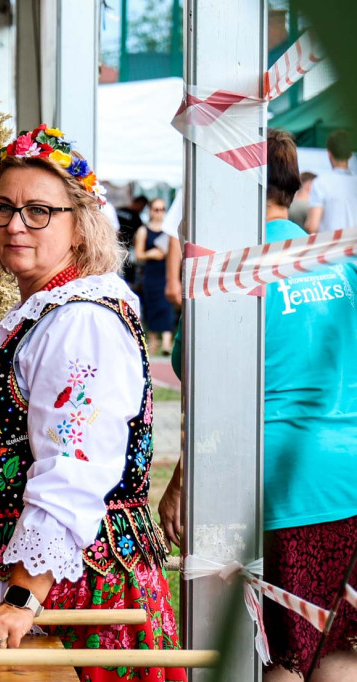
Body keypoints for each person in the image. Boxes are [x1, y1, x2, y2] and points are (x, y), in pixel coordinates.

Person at [0, 125, 184, 682]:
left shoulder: (83, 320)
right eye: (3, 208)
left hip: (61, 592)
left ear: (80, 227)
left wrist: (21, 597)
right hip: (3, 575)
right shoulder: (44, 313)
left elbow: (75, 465)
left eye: (39, 211)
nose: (15, 224)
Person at [160, 129, 357, 681]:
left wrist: (181, 480)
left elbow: (206, 386)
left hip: (278, 483)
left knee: (280, 653)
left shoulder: (231, 272)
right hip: (348, 480)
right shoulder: (340, 262)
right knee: (340, 648)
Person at [134, 198, 175, 355]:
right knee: (152, 307)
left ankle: (166, 342)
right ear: (150, 211)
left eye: (162, 209)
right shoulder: (143, 231)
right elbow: (138, 255)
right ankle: (152, 342)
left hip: (166, 272)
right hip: (151, 274)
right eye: (156, 209)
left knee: (166, 306)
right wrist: (150, 254)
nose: (159, 213)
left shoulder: (169, 230)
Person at [305, 130, 357, 234]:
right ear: (350, 155)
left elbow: (312, 226)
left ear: (329, 153)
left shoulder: (321, 183)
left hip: (332, 247)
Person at [116, 195, 147, 290]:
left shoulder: (119, 210)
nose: (142, 209)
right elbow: (138, 238)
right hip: (124, 249)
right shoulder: (136, 218)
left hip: (114, 246)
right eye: (142, 206)